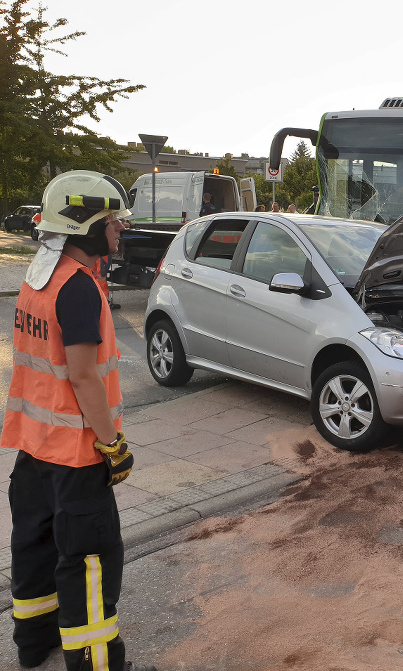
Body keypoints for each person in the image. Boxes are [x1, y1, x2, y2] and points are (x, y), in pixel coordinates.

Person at [1, 171, 156, 671]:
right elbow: (85, 376)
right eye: (114, 219)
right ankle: (96, 664)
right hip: (74, 456)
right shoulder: (80, 289)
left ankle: (34, 644)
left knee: (34, 546)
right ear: (87, 222)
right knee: (90, 562)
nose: (120, 228)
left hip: (33, 449)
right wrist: (113, 445)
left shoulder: (39, 275)